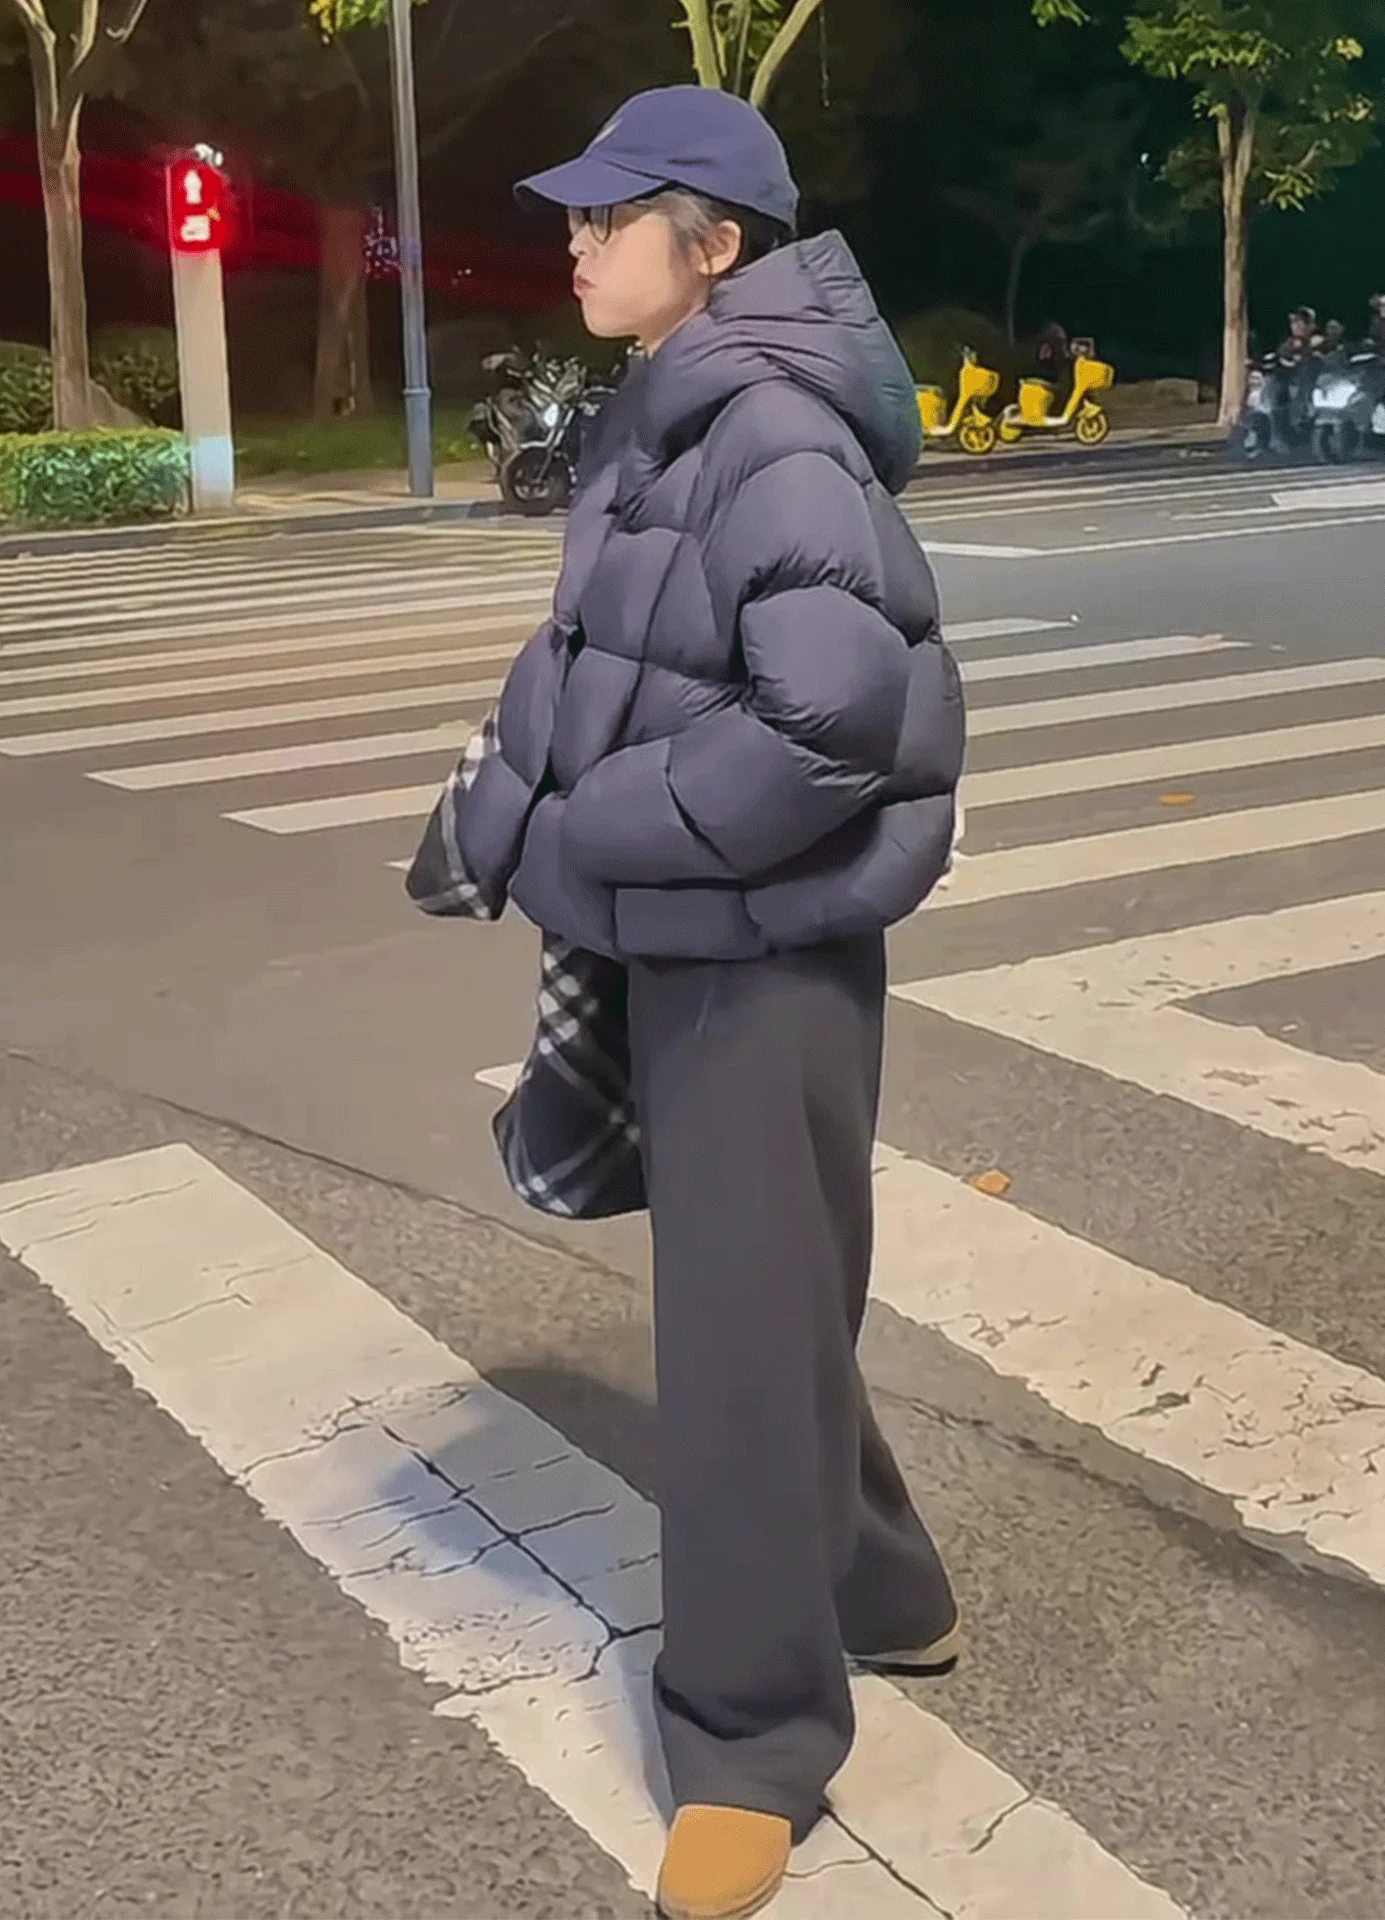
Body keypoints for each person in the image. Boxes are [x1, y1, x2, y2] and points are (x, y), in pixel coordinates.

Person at [445, 85, 964, 1920]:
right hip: (697, 923)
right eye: (577, 219)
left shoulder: (771, 433)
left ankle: (749, 1741)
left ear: (716, 242)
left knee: (741, 1328)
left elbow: (833, 724)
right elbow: (599, 647)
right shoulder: (671, 413)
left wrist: (583, 829)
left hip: (759, 947)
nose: (578, 245)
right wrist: (494, 806)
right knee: (774, 1296)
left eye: (613, 218)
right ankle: (883, 1584)